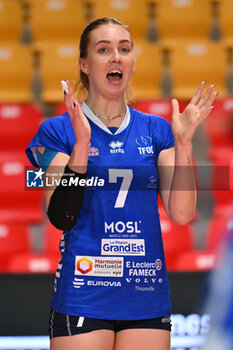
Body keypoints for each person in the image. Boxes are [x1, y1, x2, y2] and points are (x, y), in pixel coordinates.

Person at [26, 17, 217, 350]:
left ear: (131, 62)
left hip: (145, 293)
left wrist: (184, 144)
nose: (116, 57)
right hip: (84, 292)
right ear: (85, 64)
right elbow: (60, 217)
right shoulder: (57, 131)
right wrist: (82, 145)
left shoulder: (157, 130)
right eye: (104, 49)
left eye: (124, 49)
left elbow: (183, 214)